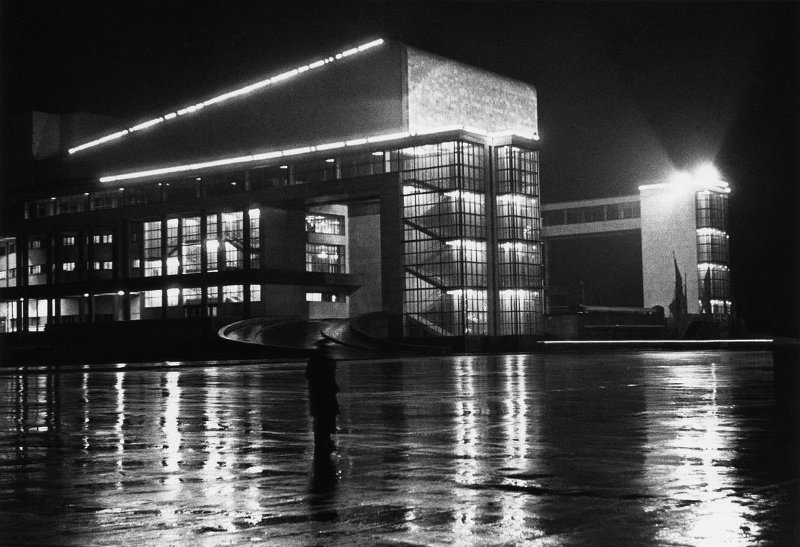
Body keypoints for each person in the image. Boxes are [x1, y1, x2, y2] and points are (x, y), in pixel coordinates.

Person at [306, 339, 339, 453]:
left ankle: (322, 440)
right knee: (326, 418)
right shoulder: (325, 362)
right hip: (325, 395)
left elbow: (308, 375)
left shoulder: (314, 361)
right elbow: (329, 377)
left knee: (321, 419)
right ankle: (325, 440)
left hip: (319, 395)